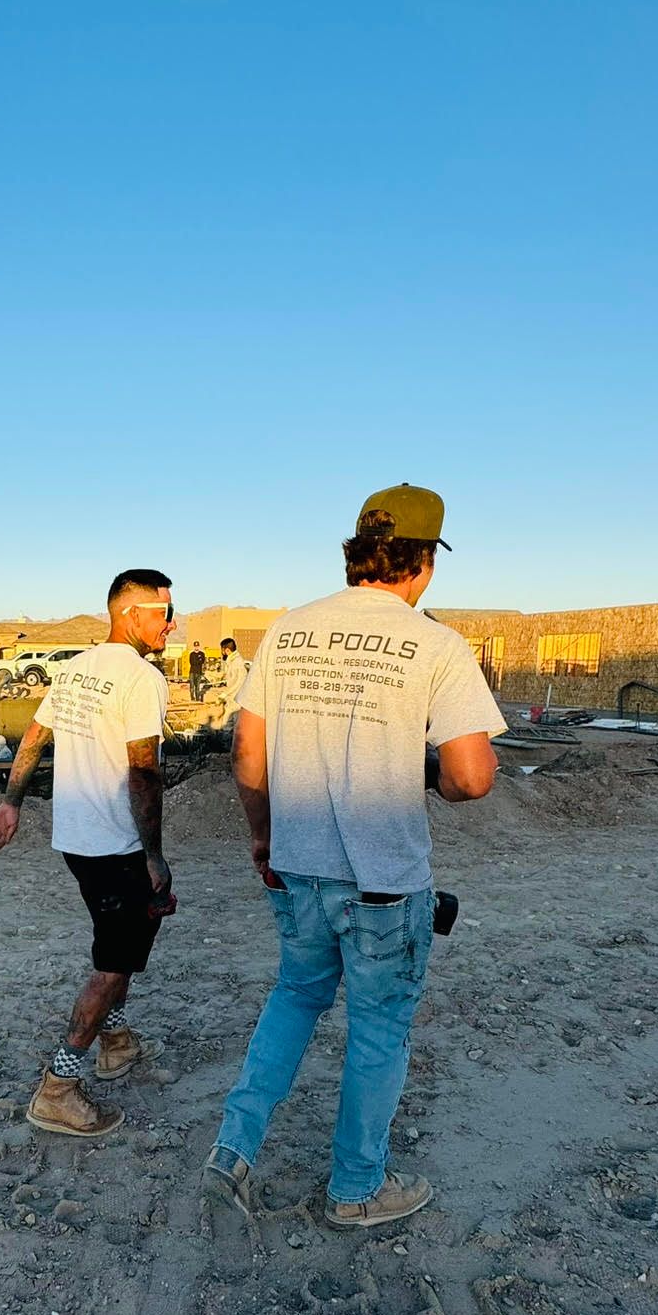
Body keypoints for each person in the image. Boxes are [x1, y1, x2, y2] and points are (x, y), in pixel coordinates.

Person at [202, 485, 504, 1229]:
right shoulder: (436, 645)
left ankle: (232, 1152)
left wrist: (262, 834)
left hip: (297, 866)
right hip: (385, 885)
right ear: (425, 561)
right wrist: (416, 768)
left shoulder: (290, 630)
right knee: (378, 1028)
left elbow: (248, 749)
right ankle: (356, 1187)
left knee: (294, 998)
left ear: (357, 550)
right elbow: (471, 776)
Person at [0, 569, 177, 1137]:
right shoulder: (141, 679)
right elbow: (144, 773)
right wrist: (155, 855)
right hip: (116, 843)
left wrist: (11, 803)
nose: (172, 622)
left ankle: (115, 1043)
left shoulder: (75, 669)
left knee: (125, 941)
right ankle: (59, 1086)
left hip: (76, 839)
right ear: (128, 614)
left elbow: (34, 738)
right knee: (113, 961)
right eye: (162, 611)